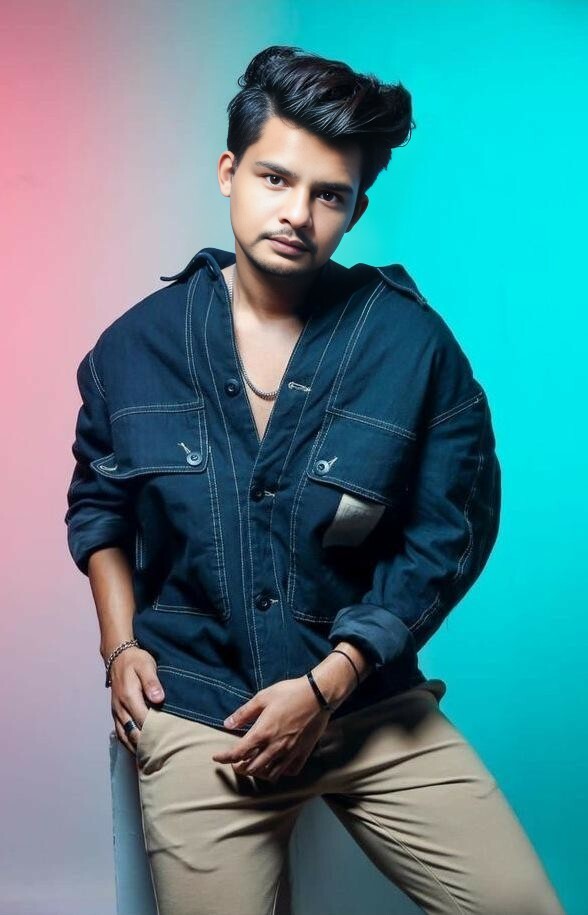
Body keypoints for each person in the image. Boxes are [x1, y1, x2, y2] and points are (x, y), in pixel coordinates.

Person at [64, 45, 565, 915]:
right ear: (229, 172)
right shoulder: (132, 348)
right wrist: (120, 648)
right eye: (274, 178)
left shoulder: (414, 347)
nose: (296, 213)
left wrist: (331, 682)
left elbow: (446, 535)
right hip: (203, 710)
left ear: (357, 207)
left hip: (367, 705)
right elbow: (99, 506)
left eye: (328, 195)